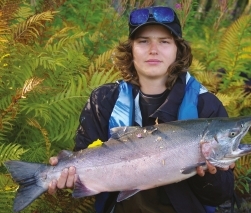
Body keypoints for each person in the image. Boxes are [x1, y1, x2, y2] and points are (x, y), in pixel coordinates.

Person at [48, 6, 235, 213]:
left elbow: (221, 195)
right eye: (143, 41)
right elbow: (85, 163)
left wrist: (209, 173)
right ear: (131, 50)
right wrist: (68, 173)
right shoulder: (104, 101)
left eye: (164, 41)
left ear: (178, 50)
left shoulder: (205, 105)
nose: (153, 50)